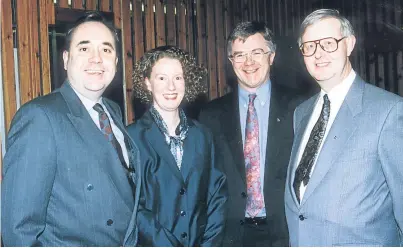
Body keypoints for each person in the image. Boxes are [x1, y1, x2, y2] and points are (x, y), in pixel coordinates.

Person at [1, 12, 141, 246]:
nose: (96, 59)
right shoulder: (40, 117)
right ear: (66, 59)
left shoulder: (113, 111)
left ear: (116, 62)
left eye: (106, 50)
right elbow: (19, 231)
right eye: (84, 49)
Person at [285, 9, 403, 246]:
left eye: (328, 43)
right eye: (309, 46)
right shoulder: (301, 113)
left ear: (349, 45)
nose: (319, 54)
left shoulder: (389, 111)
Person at [198, 21, 304, 246]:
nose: (248, 62)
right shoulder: (210, 115)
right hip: (231, 236)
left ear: (272, 56)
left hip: (287, 233)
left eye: (257, 52)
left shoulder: (300, 108)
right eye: (239, 55)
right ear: (231, 61)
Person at [127, 45, 227, 246]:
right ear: (147, 83)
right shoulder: (131, 138)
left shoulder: (203, 135)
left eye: (178, 78)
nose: (171, 87)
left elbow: (217, 196)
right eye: (162, 78)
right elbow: (133, 206)